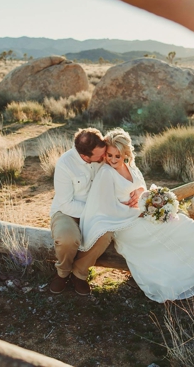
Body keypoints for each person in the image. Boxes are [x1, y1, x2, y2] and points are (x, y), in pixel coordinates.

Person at [80, 128, 194, 303]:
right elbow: (107, 208)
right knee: (178, 231)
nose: (112, 159)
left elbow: (142, 189)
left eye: (117, 156)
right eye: (110, 155)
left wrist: (140, 193)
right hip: (126, 227)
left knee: (183, 224)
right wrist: (138, 211)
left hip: (140, 217)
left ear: (126, 154)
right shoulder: (106, 173)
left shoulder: (131, 167)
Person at [49, 127, 143, 296]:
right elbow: (66, 204)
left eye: (105, 153)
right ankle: (62, 273)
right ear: (85, 157)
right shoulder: (65, 164)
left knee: (104, 235)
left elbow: (127, 172)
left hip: (99, 211)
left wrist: (140, 189)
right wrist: (96, 210)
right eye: (100, 156)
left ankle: (79, 273)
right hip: (68, 212)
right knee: (68, 239)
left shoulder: (105, 156)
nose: (104, 158)